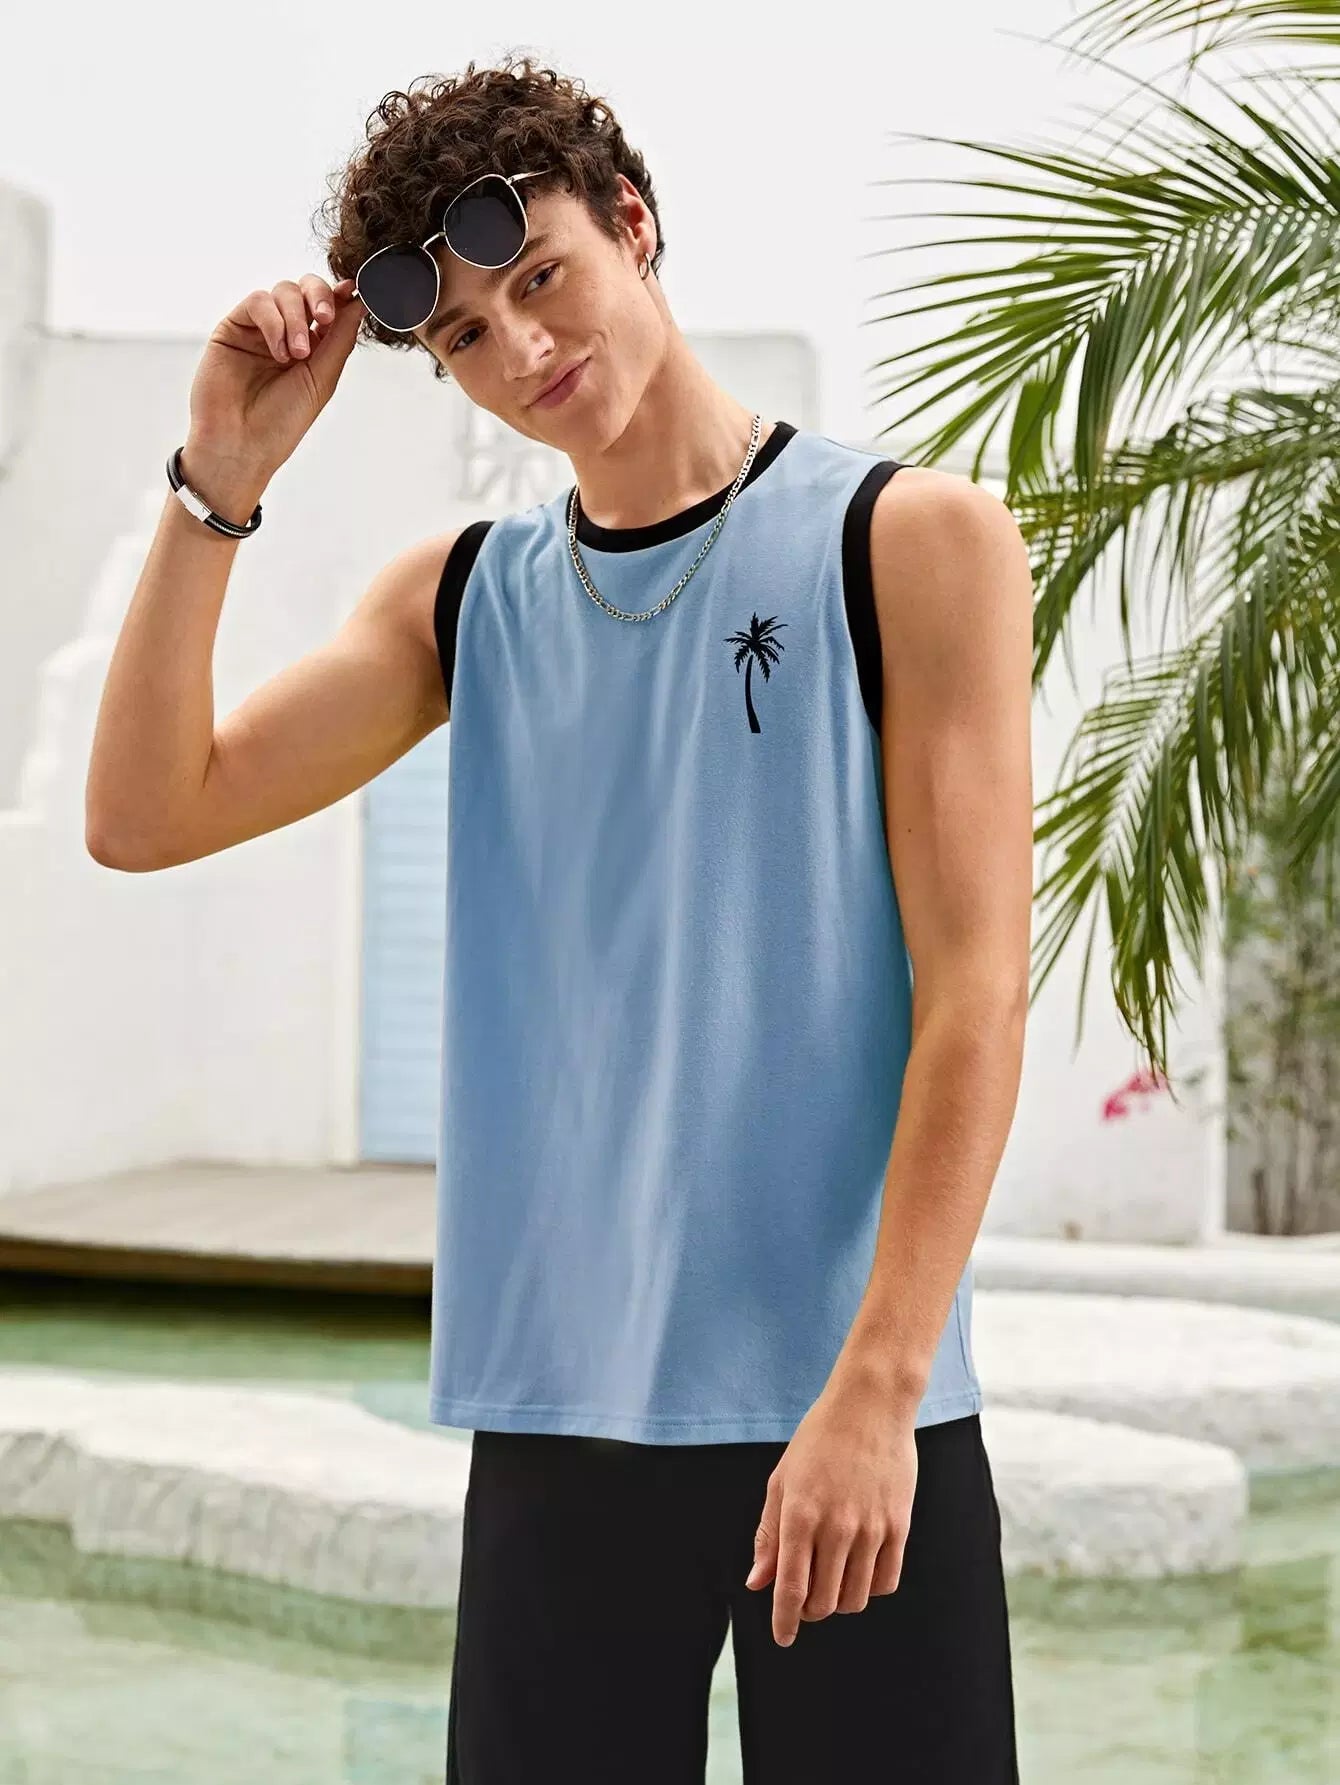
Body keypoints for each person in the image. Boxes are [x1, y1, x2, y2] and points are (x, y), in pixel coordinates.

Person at [85, 53, 1034, 1785]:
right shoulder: (464, 602)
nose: (520, 349)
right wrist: (218, 478)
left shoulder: (910, 540)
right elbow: (143, 815)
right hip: (559, 1424)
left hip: (852, 1410)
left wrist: (883, 1386)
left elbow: (977, 992)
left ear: (633, 227)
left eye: (541, 277)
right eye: (464, 334)